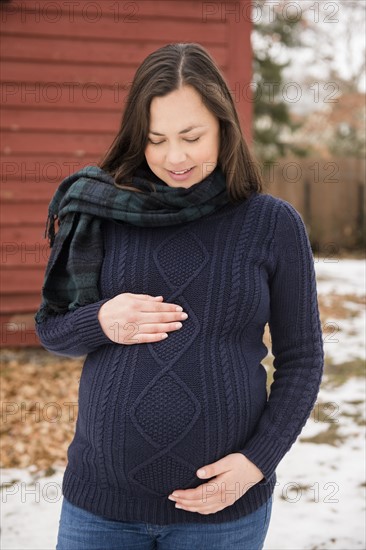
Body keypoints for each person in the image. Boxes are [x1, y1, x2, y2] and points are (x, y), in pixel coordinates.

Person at [34, 42, 324, 550]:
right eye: (156, 139)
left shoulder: (271, 224)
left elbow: (302, 358)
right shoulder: (102, 209)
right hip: (101, 506)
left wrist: (257, 463)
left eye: (192, 137)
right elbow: (53, 329)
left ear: (224, 127)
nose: (175, 157)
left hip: (222, 511)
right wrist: (98, 321)